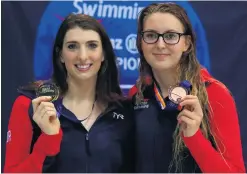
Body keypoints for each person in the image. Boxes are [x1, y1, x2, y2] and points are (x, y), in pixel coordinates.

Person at [4, 14, 134, 173]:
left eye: (92, 45)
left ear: (103, 54)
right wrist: (49, 139)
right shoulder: (30, 104)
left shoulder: (123, 111)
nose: (83, 56)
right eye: (72, 46)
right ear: (61, 55)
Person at [129, 2, 246, 173]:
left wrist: (193, 136)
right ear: (140, 42)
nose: (160, 44)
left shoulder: (214, 94)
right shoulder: (137, 95)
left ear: (187, 43)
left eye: (170, 36)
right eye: (151, 35)